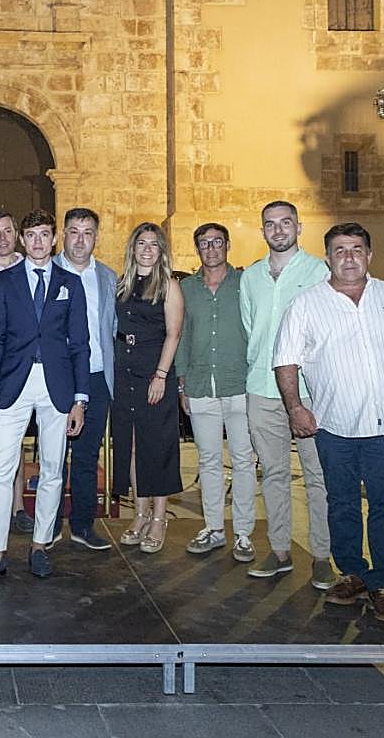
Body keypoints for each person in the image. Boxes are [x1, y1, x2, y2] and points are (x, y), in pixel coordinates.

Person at [273, 223, 384, 624]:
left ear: (369, 255)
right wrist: (295, 408)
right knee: (341, 503)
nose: (349, 257)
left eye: (357, 249)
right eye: (339, 250)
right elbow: (285, 360)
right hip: (334, 426)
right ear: (328, 258)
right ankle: (352, 574)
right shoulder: (306, 304)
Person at [0, 209, 89, 583]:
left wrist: (80, 400)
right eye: (31, 235)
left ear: (54, 239)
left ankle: (40, 546)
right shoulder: (3, 281)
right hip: (12, 384)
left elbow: (80, 344)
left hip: (58, 386)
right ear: (22, 241)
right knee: (1, 469)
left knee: (53, 469)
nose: (38, 241)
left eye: (44, 234)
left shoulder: (70, 283)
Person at [239, 200, 334, 587]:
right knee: (273, 474)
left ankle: (323, 556)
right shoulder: (250, 277)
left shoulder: (319, 272)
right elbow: (251, 328)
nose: (278, 230)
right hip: (262, 389)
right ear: (262, 230)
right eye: (270, 224)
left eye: (285, 223)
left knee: (318, 476)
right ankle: (279, 551)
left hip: (310, 392)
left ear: (299, 227)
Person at [174, 222, 256, 563]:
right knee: (208, 459)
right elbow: (180, 335)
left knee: (243, 460)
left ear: (227, 245)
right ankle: (213, 528)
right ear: (197, 249)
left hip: (239, 385)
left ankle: (244, 534)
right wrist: (182, 383)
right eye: (204, 243)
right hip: (199, 385)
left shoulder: (245, 283)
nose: (211, 248)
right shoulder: (186, 288)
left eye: (217, 242)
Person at [111, 223, 184, 554]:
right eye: (141, 243)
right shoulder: (122, 284)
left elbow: (173, 334)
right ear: (133, 248)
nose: (147, 249)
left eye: (154, 244)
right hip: (125, 371)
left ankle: (158, 518)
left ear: (161, 251)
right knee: (131, 445)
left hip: (154, 372)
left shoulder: (169, 285)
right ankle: (139, 514)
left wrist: (161, 375)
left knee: (157, 446)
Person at [53, 208, 117, 551]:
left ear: (96, 237)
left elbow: (113, 327)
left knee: (87, 455)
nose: (80, 240)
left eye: (88, 232)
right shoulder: (47, 270)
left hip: (95, 376)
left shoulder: (108, 277)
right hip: (58, 378)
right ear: (63, 234)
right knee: (53, 454)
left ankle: (82, 525)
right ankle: (48, 526)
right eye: (74, 232)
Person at [0, 210, 31, 533]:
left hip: (20, 367)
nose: (2, 238)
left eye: (7, 231)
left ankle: (17, 508)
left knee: (17, 440)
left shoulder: (30, 268)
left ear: (17, 235)